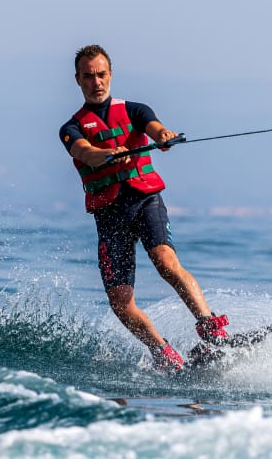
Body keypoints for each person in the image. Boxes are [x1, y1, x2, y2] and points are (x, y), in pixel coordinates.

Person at [59, 44, 229, 372]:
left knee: (166, 261)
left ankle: (213, 331)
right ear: (78, 80)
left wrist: (165, 136)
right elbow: (84, 152)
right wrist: (105, 154)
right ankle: (165, 354)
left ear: (111, 74)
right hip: (109, 214)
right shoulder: (71, 128)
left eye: (102, 74)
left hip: (144, 200)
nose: (97, 81)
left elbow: (156, 128)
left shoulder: (135, 110)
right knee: (120, 302)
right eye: (89, 76)